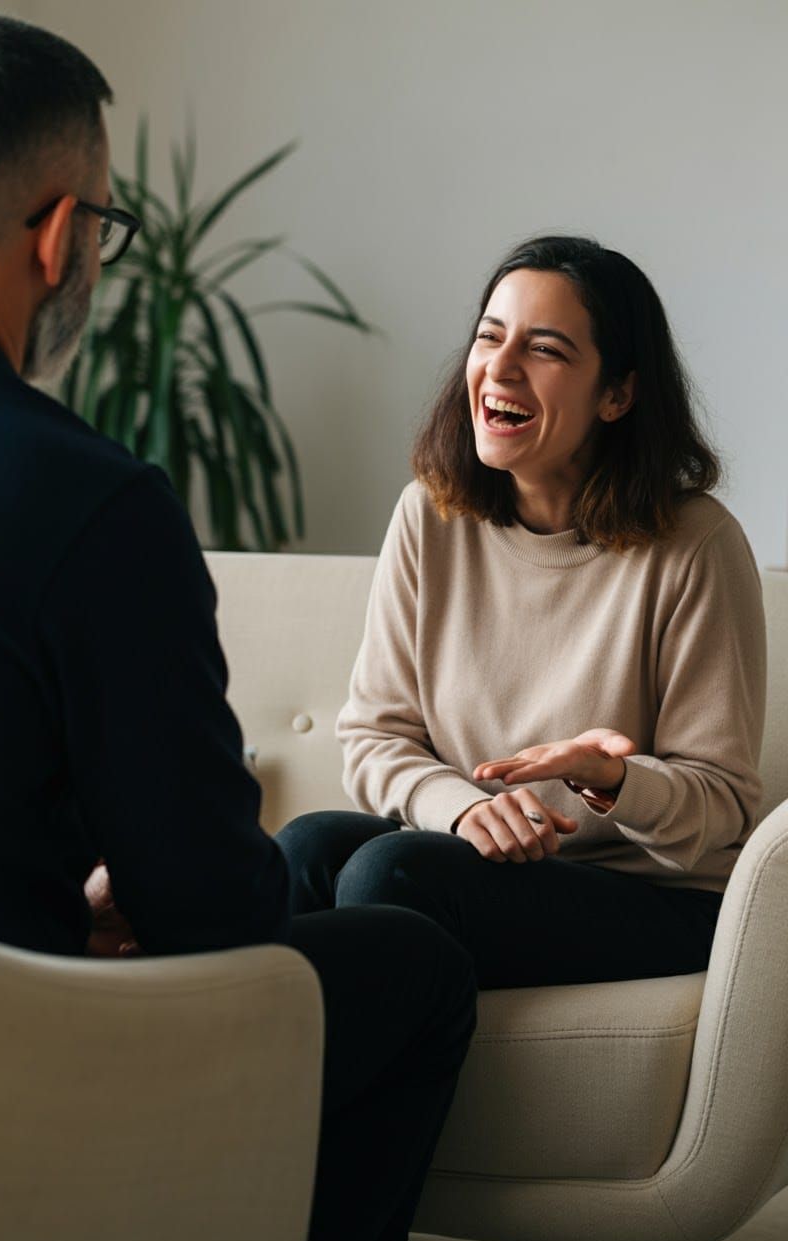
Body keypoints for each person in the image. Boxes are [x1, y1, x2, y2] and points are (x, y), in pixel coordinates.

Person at [0, 14, 476, 1241]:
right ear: (59, 238)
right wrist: (130, 895)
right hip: (7, 1069)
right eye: (102, 226)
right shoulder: (85, 499)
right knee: (412, 966)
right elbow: (211, 910)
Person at [278, 235, 767, 992]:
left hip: (656, 900)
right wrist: (463, 808)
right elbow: (376, 736)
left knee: (395, 870)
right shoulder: (429, 517)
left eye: (544, 349)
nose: (499, 369)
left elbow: (724, 805)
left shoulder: (697, 546)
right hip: (489, 863)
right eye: (488, 337)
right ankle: (250, 1103)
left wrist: (612, 780)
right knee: (307, 846)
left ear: (617, 394)